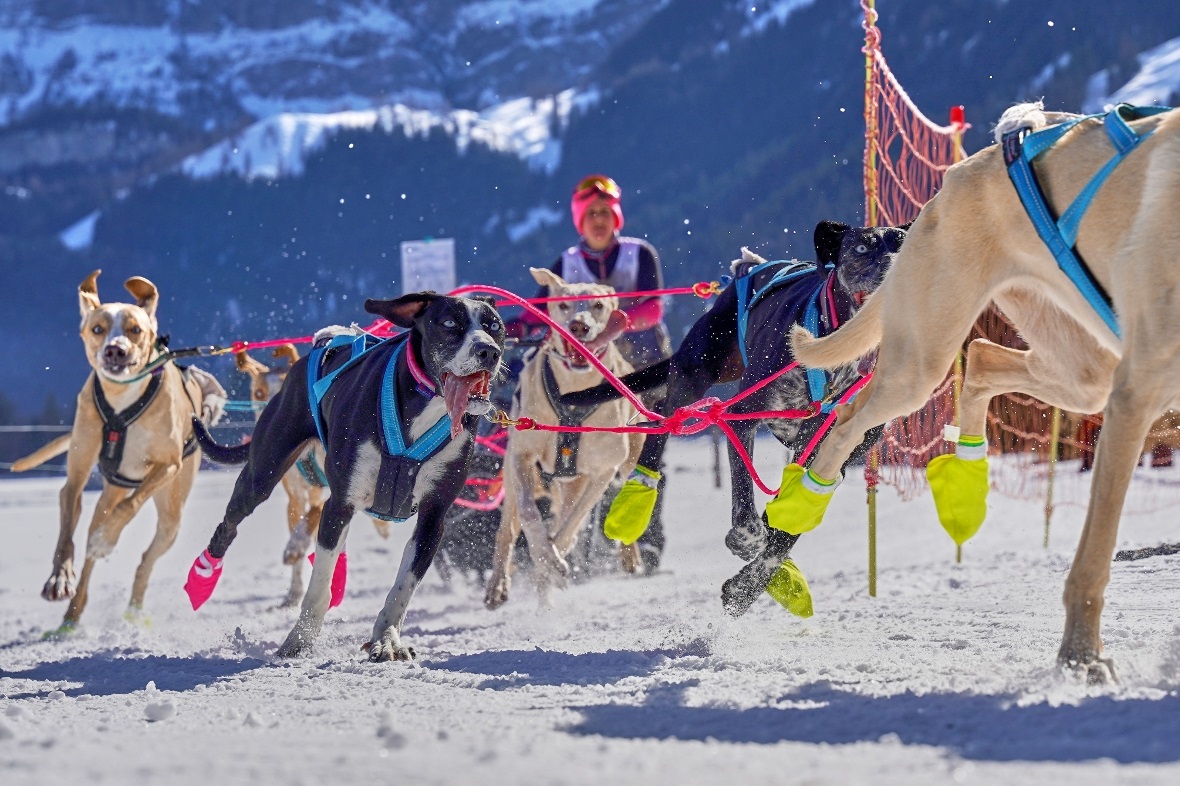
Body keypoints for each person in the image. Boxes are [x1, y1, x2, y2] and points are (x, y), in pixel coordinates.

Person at [508, 174, 673, 572]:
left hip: (643, 370)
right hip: (583, 375)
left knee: (645, 461)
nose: (599, 220)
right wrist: (506, 326)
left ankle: (641, 542)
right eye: (591, 214)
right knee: (580, 463)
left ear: (616, 217)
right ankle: (572, 547)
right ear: (580, 221)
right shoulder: (564, 265)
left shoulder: (640, 255)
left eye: (605, 212)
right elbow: (538, 314)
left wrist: (616, 326)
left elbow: (653, 308)